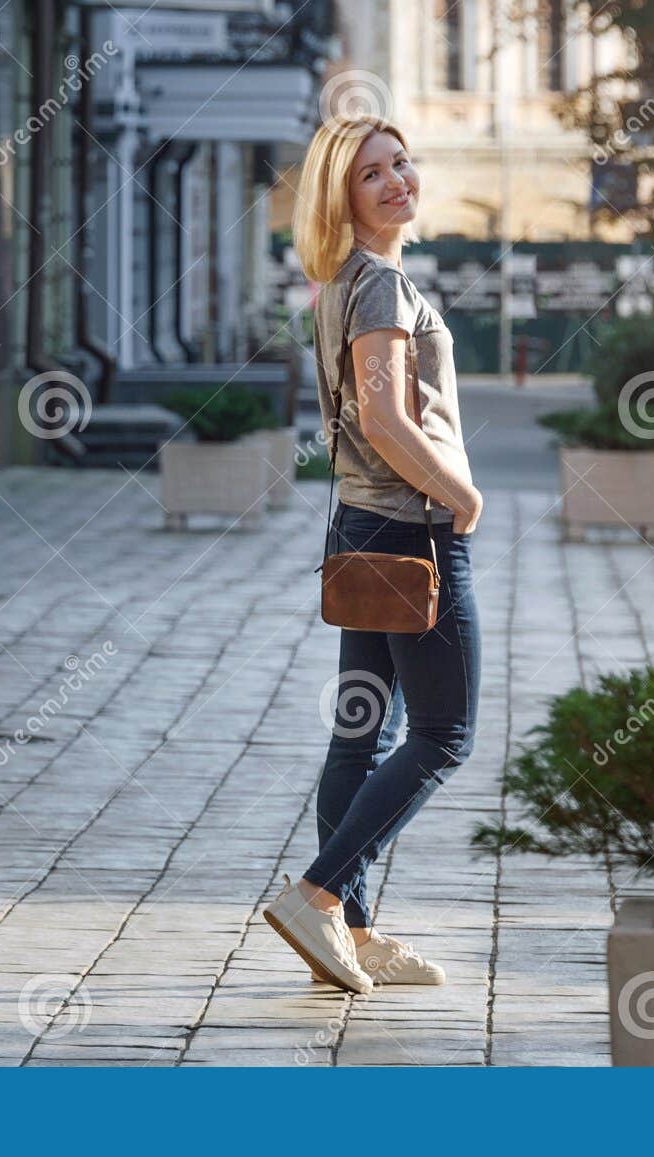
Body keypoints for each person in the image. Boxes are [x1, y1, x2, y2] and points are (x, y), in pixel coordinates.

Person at [263, 115, 484, 995]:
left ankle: (349, 931)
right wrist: (461, 494)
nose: (397, 182)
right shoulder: (381, 288)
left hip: (363, 526)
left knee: (363, 731)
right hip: (412, 531)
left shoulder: (344, 282)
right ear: (340, 197)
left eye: (401, 165)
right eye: (371, 175)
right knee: (442, 735)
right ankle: (317, 896)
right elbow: (387, 419)